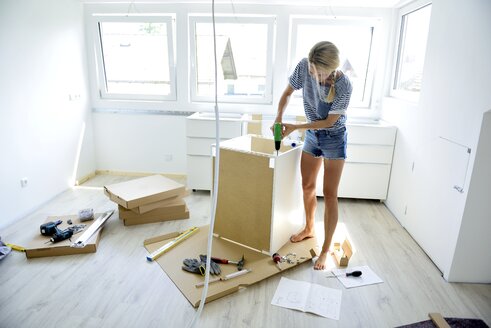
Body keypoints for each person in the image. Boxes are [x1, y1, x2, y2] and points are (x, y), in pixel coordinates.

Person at [273, 41, 352, 270]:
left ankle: (325, 250)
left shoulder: (344, 85)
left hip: (334, 138)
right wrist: (279, 117)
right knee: (307, 186)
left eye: (317, 72)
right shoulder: (304, 66)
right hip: (312, 136)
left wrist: (296, 127)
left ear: (331, 69)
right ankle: (309, 228)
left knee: (329, 194)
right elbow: (287, 92)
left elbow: (329, 122)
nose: (313, 74)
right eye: (311, 70)